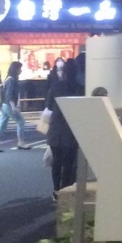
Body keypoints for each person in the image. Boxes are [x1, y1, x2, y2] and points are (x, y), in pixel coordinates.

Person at [47, 56, 79, 203]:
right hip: (71, 129)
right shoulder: (80, 88)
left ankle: (56, 190)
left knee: (57, 162)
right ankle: (66, 189)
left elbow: (48, 106)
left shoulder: (56, 87)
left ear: (64, 72)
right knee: (69, 163)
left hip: (56, 128)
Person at [0, 62, 30, 152]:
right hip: (9, 105)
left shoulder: (8, 79)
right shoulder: (12, 80)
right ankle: (21, 142)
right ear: (16, 69)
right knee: (20, 121)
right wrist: (14, 107)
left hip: (4, 105)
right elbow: (9, 95)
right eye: (19, 68)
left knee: (2, 125)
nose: (21, 70)